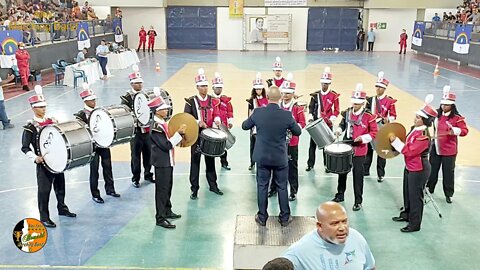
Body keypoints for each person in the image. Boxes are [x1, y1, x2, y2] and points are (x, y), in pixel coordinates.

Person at [242, 86, 302, 227]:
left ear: (267, 97)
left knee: (262, 186)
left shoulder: (258, 112)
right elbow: (297, 131)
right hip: (280, 158)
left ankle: (262, 217)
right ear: (280, 97)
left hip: (262, 157)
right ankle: (285, 217)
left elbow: (245, 126)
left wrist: (253, 118)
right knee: (282, 187)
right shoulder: (286, 115)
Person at [21, 85, 77, 228]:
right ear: (33, 108)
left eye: (44, 106)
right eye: (40, 107)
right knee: (44, 191)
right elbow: (25, 147)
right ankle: (44, 217)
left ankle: (62, 208)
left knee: (60, 187)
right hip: (44, 163)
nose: (43, 109)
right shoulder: (30, 126)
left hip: (57, 160)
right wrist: (35, 158)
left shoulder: (52, 121)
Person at [391, 95, 438, 232]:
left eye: (418, 117)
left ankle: (414, 224)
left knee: (416, 196)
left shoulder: (423, 136)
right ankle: (406, 214)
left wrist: (395, 141)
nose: (415, 118)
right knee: (407, 192)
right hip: (410, 166)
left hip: (419, 169)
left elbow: (409, 151)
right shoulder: (415, 129)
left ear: (424, 120)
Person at [283, 202, 376, 270]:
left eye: (344, 221)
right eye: (334, 223)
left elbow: (370, 267)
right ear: (320, 226)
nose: (342, 228)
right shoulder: (300, 251)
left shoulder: (357, 239)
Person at [333, 84, 378, 211]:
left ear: (363, 103)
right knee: (342, 172)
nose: (355, 105)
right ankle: (340, 194)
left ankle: (358, 200)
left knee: (358, 176)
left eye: (358, 103)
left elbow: (374, 132)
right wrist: (339, 130)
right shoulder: (347, 112)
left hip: (359, 149)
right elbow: (343, 125)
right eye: (354, 103)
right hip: (346, 146)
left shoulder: (369, 116)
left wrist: (363, 138)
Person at [74, 83, 120, 204]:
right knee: (94, 170)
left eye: (94, 99)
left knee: (108, 167)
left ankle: (110, 189)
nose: (93, 102)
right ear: (85, 101)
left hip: (103, 143)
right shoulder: (80, 115)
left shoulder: (100, 112)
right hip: (93, 147)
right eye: (90, 100)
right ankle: (95, 194)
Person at [184, 68, 223, 200]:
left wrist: (217, 120)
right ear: (197, 87)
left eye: (206, 86)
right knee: (195, 162)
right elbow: (186, 117)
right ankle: (194, 189)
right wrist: (197, 122)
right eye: (202, 86)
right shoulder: (190, 101)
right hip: (196, 135)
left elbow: (216, 113)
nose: (205, 88)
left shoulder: (213, 100)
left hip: (210, 134)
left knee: (210, 160)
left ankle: (213, 185)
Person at [148, 87, 184, 229]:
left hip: (167, 161)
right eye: (164, 109)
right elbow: (166, 145)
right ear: (157, 111)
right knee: (162, 190)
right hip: (161, 163)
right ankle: (160, 218)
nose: (166, 111)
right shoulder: (156, 127)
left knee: (168, 187)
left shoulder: (163, 124)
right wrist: (179, 134)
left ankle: (167, 210)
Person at [426, 86, 469, 204]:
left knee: (448, 172)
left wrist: (454, 131)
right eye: (442, 104)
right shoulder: (436, 114)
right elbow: (426, 120)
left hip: (449, 151)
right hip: (436, 148)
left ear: (452, 106)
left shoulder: (457, 118)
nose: (443, 107)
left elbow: (464, 131)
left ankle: (448, 193)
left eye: (446, 105)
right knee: (432, 169)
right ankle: (430, 188)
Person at [271, 74, 306, 201]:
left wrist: (294, 129)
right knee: (275, 165)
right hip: (278, 142)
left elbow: (302, 123)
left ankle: (293, 190)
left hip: (292, 143)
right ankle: (274, 187)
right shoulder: (278, 106)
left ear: (292, 94)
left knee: (292, 167)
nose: (285, 95)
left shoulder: (297, 108)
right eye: (284, 93)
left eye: (288, 93)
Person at [120, 65, 154, 188]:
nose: (139, 85)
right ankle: (136, 177)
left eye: (140, 83)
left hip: (147, 130)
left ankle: (148, 174)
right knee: (135, 155)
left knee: (148, 153)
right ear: (132, 84)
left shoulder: (146, 95)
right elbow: (125, 113)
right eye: (137, 83)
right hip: (135, 132)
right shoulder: (126, 98)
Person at [364, 72, 397, 182]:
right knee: (368, 150)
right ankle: (365, 170)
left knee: (382, 152)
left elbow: (393, 115)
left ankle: (380, 174)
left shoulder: (390, 101)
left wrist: (389, 119)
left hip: (383, 128)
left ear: (384, 88)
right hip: (371, 128)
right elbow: (366, 112)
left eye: (380, 87)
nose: (377, 89)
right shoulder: (370, 100)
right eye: (377, 86)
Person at [306, 67, 340, 172]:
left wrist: (332, 118)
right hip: (316, 124)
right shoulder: (315, 95)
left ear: (329, 84)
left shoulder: (334, 95)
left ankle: (327, 165)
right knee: (312, 146)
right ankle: (310, 164)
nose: (324, 85)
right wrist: (311, 117)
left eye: (326, 84)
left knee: (327, 147)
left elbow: (337, 110)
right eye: (323, 83)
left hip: (327, 125)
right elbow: (311, 107)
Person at [211, 72, 234, 170]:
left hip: (223, 126)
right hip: (212, 127)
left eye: (220, 87)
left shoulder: (226, 100)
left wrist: (230, 121)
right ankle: (210, 165)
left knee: (224, 145)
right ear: (213, 88)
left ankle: (224, 162)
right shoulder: (209, 100)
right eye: (217, 87)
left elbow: (230, 111)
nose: (219, 89)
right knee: (211, 146)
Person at [246, 72, 269, 170]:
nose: (258, 90)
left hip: (264, 127)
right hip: (254, 127)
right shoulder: (251, 100)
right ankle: (252, 162)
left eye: (260, 89)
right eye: (257, 89)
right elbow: (249, 114)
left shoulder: (267, 99)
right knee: (253, 146)